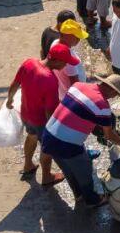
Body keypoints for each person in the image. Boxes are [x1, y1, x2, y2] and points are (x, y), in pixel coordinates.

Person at [41, 74, 120, 209]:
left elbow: (77, 111)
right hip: (68, 144)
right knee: (84, 170)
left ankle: (78, 195)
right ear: (113, 90)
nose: (113, 97)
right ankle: (91, 200)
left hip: (49, 133)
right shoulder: (103, 106)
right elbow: (109, 135)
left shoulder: (78, 86)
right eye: (116, 94)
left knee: (67, 168)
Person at [5, 43, 76, 186]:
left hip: (26, 113)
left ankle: (28, 165)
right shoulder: (50, 80)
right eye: (65, 62)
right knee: (47, 148)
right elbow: (51, 111)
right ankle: (47, 177)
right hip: (40, 121)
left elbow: (14, 83)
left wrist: (10, 100)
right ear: (57, 60)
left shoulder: (29, 63)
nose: (66, 65)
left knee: (31, 136)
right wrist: (54, 131)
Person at [49, 19, 89, 98]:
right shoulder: (68, 58)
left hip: (62, 92)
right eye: (77, 37)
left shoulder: (55, 43)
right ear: (67, 36)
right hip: (73, 96)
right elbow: (75, 84)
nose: (79, 40)